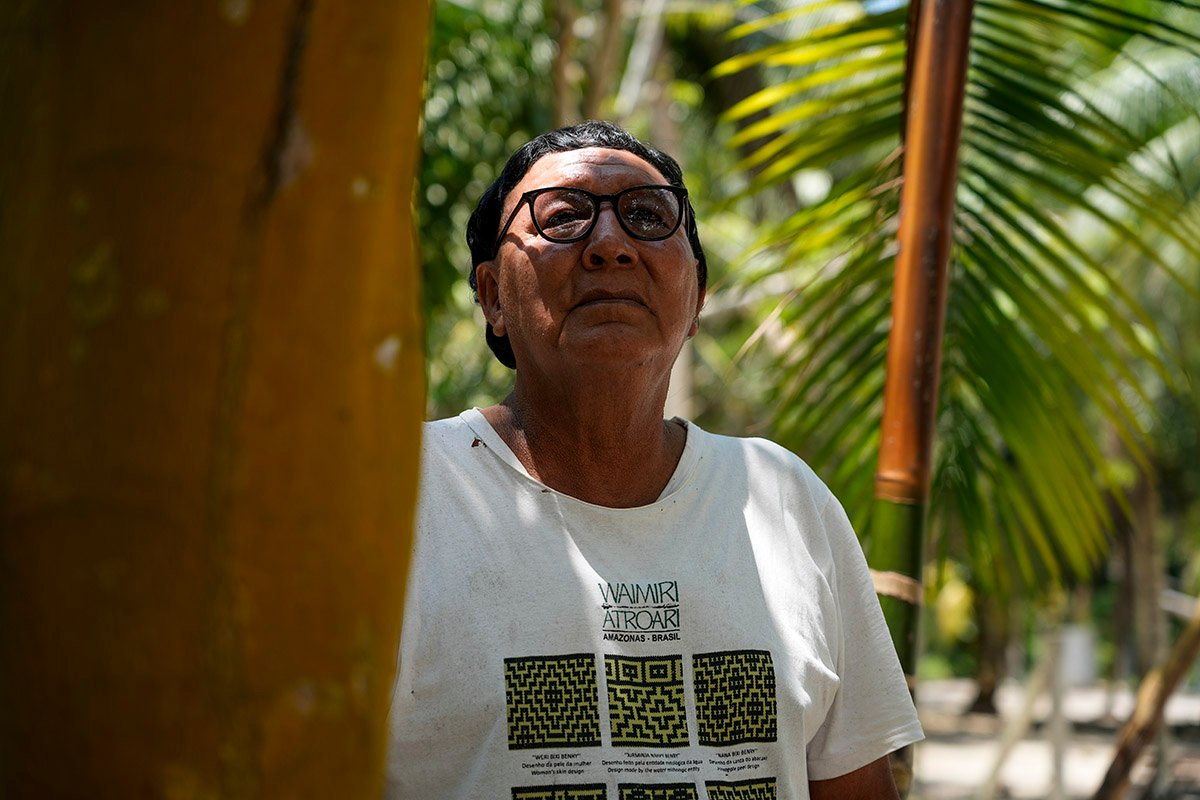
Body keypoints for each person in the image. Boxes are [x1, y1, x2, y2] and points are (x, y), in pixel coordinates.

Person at [385, 121, 923, 800]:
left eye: (646, 216)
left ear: (696, 298)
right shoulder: (404, 495)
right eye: (563, 219)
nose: (609, 245)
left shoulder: (785, 499)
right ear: (493, 296)